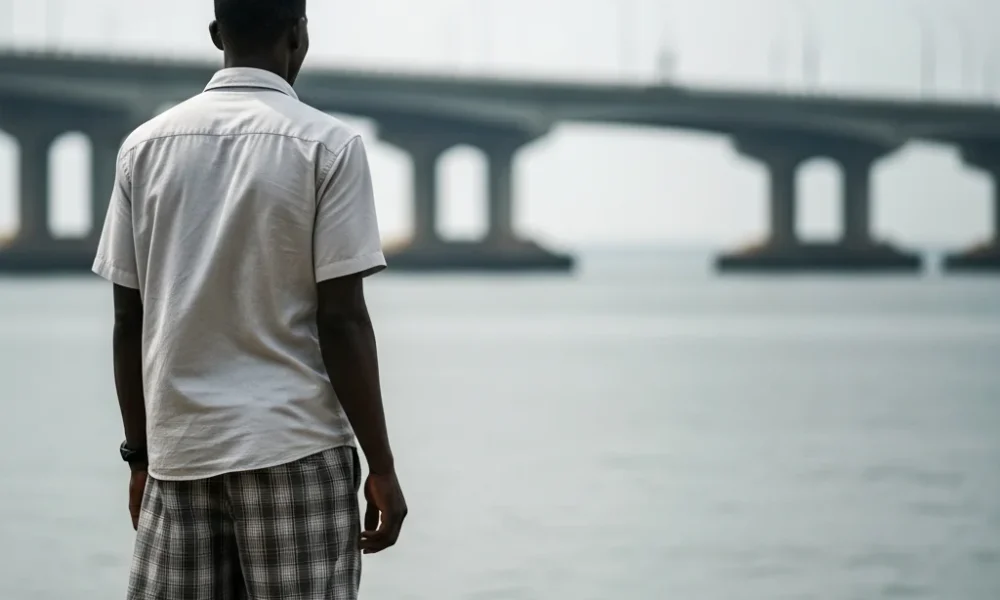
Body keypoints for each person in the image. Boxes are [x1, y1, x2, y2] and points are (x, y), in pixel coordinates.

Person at [91, 0, 406, 597]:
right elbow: (342, 321)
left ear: (216, 34)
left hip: (179, 459)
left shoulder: (144, 147)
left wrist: (139, 458)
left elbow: (126, 319)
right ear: (299, 34)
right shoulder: (328, 146)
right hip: (296, 450)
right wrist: (382, 466)